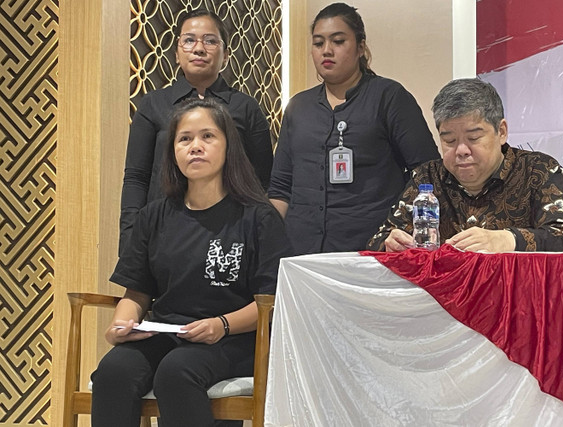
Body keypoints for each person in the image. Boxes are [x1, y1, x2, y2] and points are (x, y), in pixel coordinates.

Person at [91, 98, 291, 427]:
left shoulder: (258, 217)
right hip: (167, 332)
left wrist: (221, 325)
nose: (195, 146)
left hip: (236, 338)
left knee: (177, 371)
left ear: (229, 147)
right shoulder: (154, 215)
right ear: (173, 151)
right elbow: (137, 292)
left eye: (207, 137)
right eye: (184, 139)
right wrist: (121, 325)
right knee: (114, 370)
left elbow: (271, 301)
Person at [268, 2, 440, 255]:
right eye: (318, 43)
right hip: (301, 252)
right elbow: (281, 187)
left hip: (371, 249)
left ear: (361, 47)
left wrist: (399, 230)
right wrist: (267, 242)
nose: (326, 51)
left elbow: (427, 173)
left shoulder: (389, 97)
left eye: (338, 41)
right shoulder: (298, 106)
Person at [367, 78, 563, 253]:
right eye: (449, 140)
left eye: (474, 138)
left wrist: (508, 239)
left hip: (516, 302)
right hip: (441, 304)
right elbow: (378, 239)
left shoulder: (538, 170)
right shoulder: (427, 178)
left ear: (501, 131)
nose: (462, 150)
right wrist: (390, 243)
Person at [119, 9, 273, 254]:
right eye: (189, 40)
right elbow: (136, 179)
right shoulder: (153, 105)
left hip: (231, 235)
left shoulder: (246, 108)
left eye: (210, 41)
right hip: (164, 236)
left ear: (226, 56)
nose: (199, 48)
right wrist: (129, 241)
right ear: (177, 54)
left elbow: (264, 181)